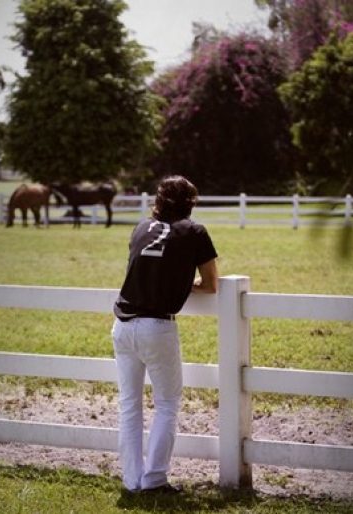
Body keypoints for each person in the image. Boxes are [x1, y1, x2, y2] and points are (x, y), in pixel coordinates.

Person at [111, 175, 218, 494]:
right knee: (167, 403)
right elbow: (212, 284)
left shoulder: (140, 228)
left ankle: (132, 481)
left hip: (122, 325)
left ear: (157, 201)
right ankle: (154, 480)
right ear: (190, 203)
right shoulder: (194, 231)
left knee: (129, 404)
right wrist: (185, 284)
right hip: (157, 326)